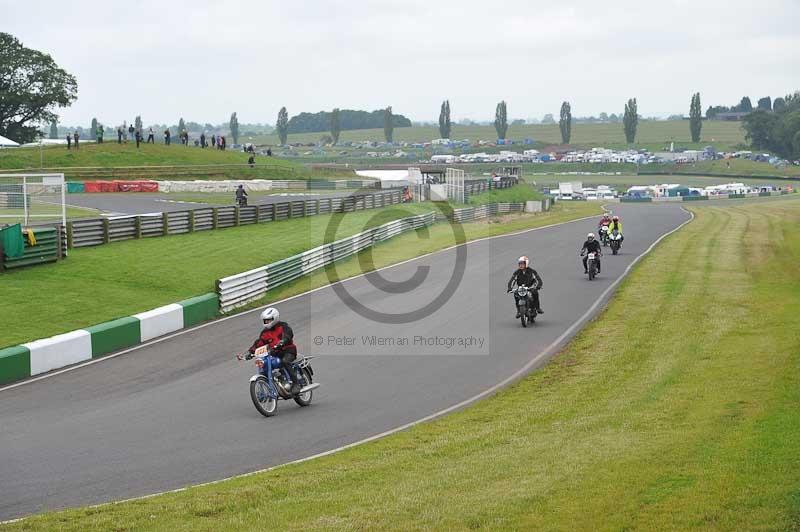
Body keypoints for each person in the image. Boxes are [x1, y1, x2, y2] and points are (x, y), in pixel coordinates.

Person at [244, 307, 302, 395]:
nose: (266, 322)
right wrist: (250, 352)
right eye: (265, 320)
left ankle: (296, 384)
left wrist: (283, 341)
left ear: (275, 318)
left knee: (285, 361)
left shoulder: (283, 326)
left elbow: (288, 335)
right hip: (275, 353)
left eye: (268, 320)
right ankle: (274, 384)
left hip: (288, 350)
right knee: (265, 365)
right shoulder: (264, 333)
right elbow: (259, 343)